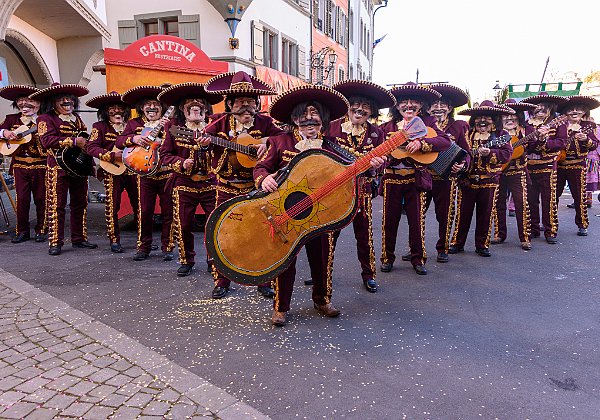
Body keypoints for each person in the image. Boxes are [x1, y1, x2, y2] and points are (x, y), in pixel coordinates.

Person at [253, 84, 384, 326]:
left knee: (321, 258)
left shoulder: (332, 145)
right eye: (304, 117)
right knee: (286, 262)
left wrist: (372, 165)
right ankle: (281, 307)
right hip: (286, 212)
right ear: (294, 119)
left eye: (315, 117)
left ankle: (322, 300)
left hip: (320, 213)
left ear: (323, 122)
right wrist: (265, 178)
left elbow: (352, 168)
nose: (310, 121)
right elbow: (260, 168)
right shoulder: (278, 141)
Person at [204, 71, 284, 299]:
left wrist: (265, 141)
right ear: (230, 104)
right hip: (226, 188)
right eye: (240, 102)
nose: (246, 107)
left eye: (250, 102)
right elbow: (203, 144)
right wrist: (202, 144)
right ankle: (221, 280)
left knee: (262, 233)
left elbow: (282, 139)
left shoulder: (266, 122)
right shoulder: (217, 124)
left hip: (256, 188)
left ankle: (264, 280)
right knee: (222, 233)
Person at [326, 80, 394, 292]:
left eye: (366, 106)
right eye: (355, 104)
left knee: (364, 237)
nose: (360, 109)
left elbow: (387, 157)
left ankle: (368, 274)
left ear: (371, 111)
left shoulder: (377, 133)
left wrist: (379, 164)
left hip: (362, 191)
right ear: (347, 106)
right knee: (329, 236)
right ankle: (322, 273)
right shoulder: (331, 127)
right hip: (335, 192)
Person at [378, 83, 451, 275]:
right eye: (404, 102)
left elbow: (444, 141)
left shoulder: (428, 124)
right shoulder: (387, 127)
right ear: (397, 106)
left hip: (415, 179)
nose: (408, 105)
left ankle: (418, 259)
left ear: (421, 106)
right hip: (392, 179)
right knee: (389, 222)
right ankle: (387, 258)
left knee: (416, 222)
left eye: (414, 102)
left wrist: (421, 143)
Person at [158, 82, 223, 277]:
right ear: (181, 108)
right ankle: (187, 260)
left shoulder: (214, 125)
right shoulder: (172, 127)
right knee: (184, 224)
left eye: (200, 101)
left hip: (211, 183)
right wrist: (180, 163)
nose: (195, 104)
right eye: (189, 102)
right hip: (184, 184)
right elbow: (164, 154)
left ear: (206, 106)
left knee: (214, 224)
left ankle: (215, 262)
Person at [32, 83, 97, 255]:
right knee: (57, 205)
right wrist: (74, 141)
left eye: (70, 98)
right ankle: (55, 241)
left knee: (80, 203)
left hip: (79, 166)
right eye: (62, 99)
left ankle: (79, 238)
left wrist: (91, 165)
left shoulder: (77, 118)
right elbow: (47, 141)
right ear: (53, 102)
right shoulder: (44, 119)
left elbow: (86, 142)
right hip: (57, 167)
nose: (67, 101)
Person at [116, 86, 174, 261]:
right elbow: (119, 141)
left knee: (168, 212)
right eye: (147, 104)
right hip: (144, 175)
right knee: (144, 212)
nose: (152, 107)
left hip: (166, 173)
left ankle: (168, 247)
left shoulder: (170, 123)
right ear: (142, 108)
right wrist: (133, 139)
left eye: (155, 104)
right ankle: (143, 247)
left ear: (162, 107)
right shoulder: (134, 124)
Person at [449, 101, 513, 257]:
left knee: (485, 214)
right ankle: (457, 243)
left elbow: (506, 155)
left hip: (489, 181)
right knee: (462, 214)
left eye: (487, 117)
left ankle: (482, 244)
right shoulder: (467, 134)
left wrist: (490, 153)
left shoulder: (501, 135)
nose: (482, 121)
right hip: (467, 181)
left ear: (494, 119)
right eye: (479, 117)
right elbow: (458, 152)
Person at [86, 92, 137, 253]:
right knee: (112, 205)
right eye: (112, 108)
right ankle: (114, 239)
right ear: (106, 111)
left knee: (140, 205)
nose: (117, 111)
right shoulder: (99, 127)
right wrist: (111, 155)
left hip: (132, 171)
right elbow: (90, 147)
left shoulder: (132, 125)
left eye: (120, 108)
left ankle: (143, 241)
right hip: (112, 171)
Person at [426, 83, 471, 262]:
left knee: (445, 214)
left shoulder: (459, 126)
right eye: (434, 104)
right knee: (417, 215)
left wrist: (462, 166)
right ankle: (417, 248)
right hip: (424, 175)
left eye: (442, 104)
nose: (438, 108)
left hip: (447, 179)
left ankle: (442, 247)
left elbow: (467, 153)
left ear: (450, 107)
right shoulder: (421, 124)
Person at [0, 85, 47, 243]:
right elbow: (0, 131)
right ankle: (22, 231)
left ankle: (42, 229)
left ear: (38, 103)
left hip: (40, 165)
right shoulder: (11, 119)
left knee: (42, 198)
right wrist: (5, 133)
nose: (24, 104)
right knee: (22, 199)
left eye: (29, 100)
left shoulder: (44, 120)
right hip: (20, 166)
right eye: (21, 100)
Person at [521, 92, 569, 244]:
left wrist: (545, 142)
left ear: (550, 108)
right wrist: (536, 142)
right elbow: (527, 146)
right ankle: (534, 229)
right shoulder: (528, 125)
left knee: (549, 199)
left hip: (548, 166)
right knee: (531, 199)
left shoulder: (558, 123)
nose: (540, 110)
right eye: (537, 107)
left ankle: (550, 230)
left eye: (544, 107)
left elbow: (562, 142)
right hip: (530, 166)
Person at [492, 98, 537, 250]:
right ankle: (500, 234)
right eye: (506, 116)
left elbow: (535, 147)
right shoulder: (496, 132)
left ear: (519, 117)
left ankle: (525, 237)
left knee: (522, 203)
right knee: (498, 204)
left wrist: (541, 139)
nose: (509, 118)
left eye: (513, 115)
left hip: (518, 172)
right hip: (499, 171)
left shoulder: (526, 131)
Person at [555, 96, 599, 236]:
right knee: (553, 196)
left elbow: (594, 145)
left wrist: (586, 139)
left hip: (577, 165)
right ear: (565, 112)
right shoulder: (559, 125)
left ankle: (582, 224)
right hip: (559, 165)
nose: (574, 112)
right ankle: (551, 224)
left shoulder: (588, 127)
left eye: (578, 109)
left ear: (583, 112)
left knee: (579, 197)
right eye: (570, 109)